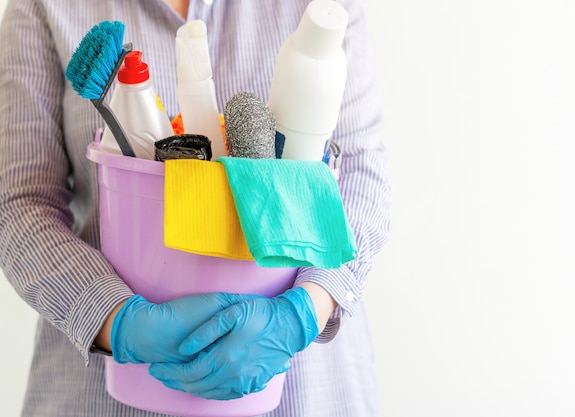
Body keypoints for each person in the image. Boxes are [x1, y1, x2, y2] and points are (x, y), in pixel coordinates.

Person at [0, 0, 391, 416]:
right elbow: (20, 202)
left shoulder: (323, 8)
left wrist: (304, 312)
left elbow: (361, 175)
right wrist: (116, 319)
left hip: (305, 390)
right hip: (103, 390)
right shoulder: (43, 6)